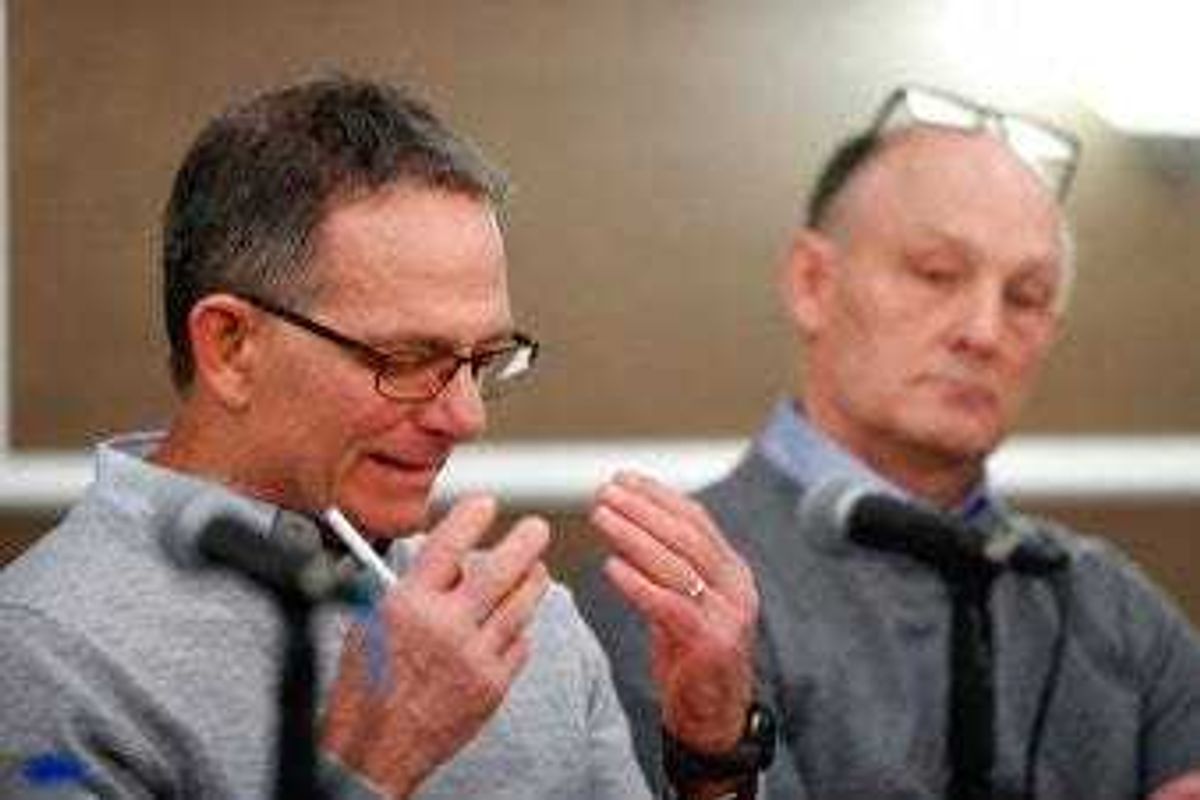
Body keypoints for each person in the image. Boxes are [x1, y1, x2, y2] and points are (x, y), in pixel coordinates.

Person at [0, 74, 758, 799]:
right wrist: (369, 767)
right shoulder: (43, 651)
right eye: (406, 359)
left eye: (483, 360)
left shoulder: (522, 628)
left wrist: (710, 759)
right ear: (231, 345)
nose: (467, 417)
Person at [580, 85, 1200, 800]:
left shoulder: (1109, 603)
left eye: (1026, 298)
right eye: (937, 275)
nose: (984, 332)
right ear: (813, 281)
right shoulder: (677, 587)